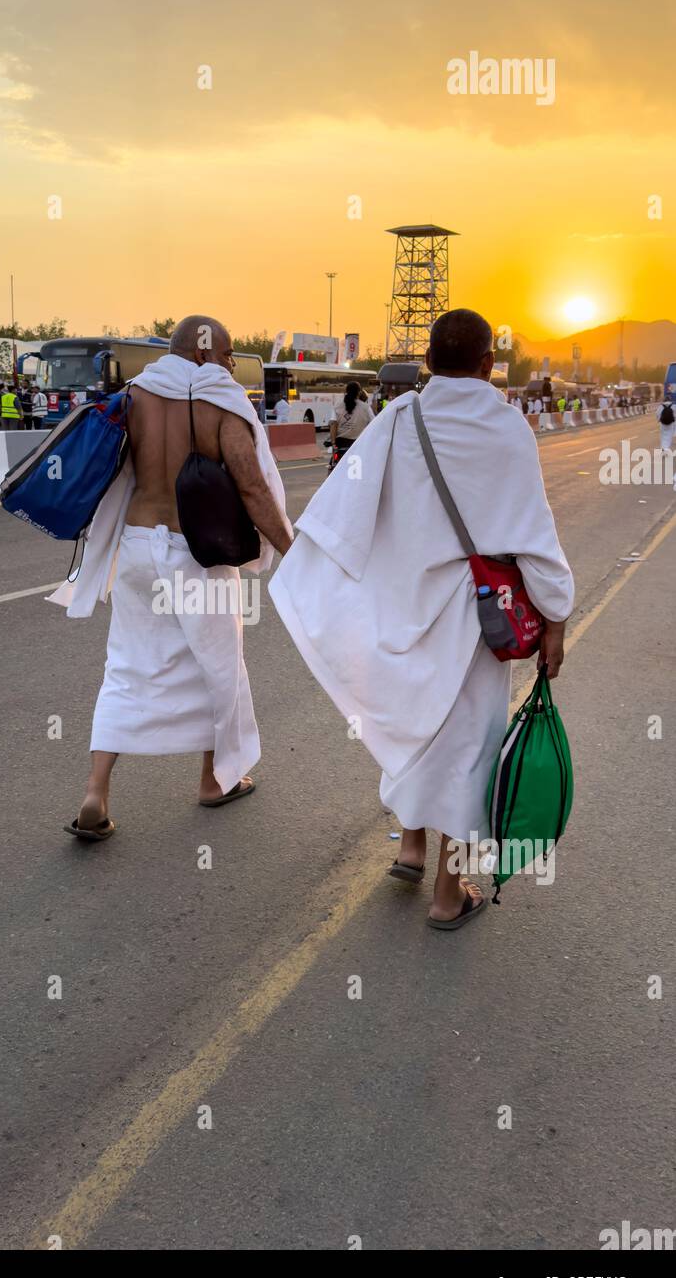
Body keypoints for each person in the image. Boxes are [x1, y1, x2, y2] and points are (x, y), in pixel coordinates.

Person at [269, 309, 574, 930]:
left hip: (404, 603)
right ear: (489, 365)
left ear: (427, 363)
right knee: (467, 748)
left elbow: (343, 511)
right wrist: (557, 617)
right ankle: (446, 891)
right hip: (476, 618)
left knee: (414, 725)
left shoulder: (397, 418)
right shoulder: (508, 427)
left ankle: (410, 846)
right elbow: (533, 537)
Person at [51, 314, 293, 840]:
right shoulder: (221, 401)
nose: (230, 368)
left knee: (127, 666)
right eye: (229, 358)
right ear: (208, 355)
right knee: (219, 666)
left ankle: (96, 791)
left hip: (136, 547)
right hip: (193, 553)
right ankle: (215, 780)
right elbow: (252, 488)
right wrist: (289, 549)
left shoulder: (136, 394)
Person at [328, 381, 373, 461]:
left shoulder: (337, 406)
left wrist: (333, 443)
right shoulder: (366, 408)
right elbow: (374, 424)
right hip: (359, 444)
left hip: (340, 444)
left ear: (346, 391)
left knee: (333, 466)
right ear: (359, 392)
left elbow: (333, 425)